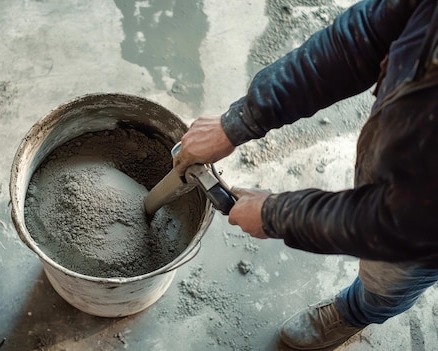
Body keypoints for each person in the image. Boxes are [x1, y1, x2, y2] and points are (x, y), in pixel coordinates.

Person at [173, 0, 438, 349]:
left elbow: (406, 224)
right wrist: (239, 121)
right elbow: (365, 36)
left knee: (390, 276)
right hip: (406, 153)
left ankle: (356, 312)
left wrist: (276, 214)